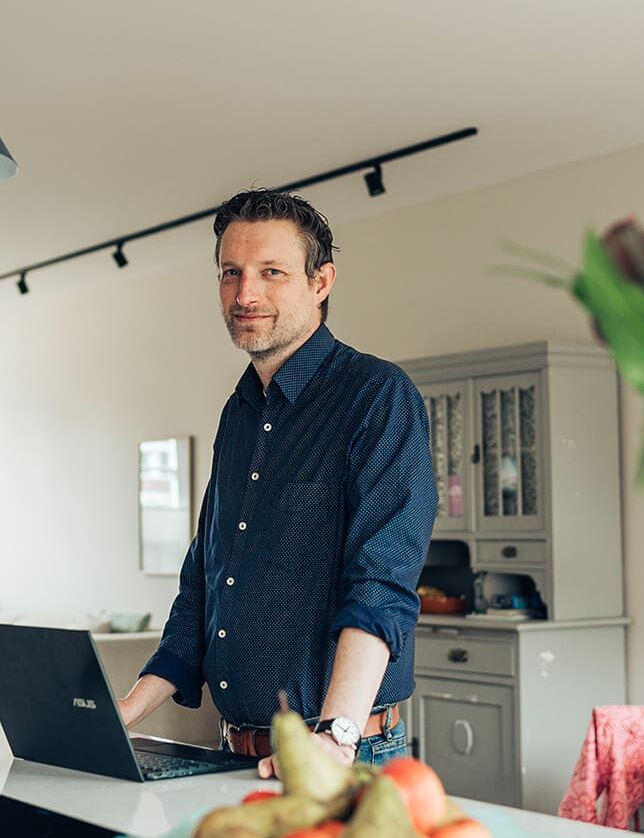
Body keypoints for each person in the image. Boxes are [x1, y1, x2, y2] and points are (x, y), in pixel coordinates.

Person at [115, 189, 436, 776]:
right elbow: (204, 584)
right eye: (230, 273)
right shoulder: (237, 412)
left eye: (272, 272)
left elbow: (381, 583)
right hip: (234, 752)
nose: (246, 294)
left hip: (342, 754)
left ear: (321, 282)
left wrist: (335, 738)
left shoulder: (377, 397)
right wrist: (119, 714)